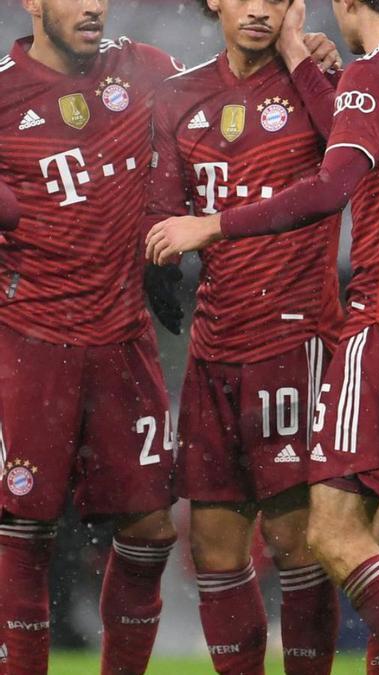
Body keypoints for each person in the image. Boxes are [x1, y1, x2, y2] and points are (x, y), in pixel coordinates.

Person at [144, 0, 379, 670]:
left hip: (353, 331)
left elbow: (336, 184)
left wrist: (213, 225)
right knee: (375, 530)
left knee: (321, 534)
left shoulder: (361, 79)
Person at [143, 0, 344, 671]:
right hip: (214, 347)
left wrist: (303, 55)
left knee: (296, 541)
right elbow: (165, 217)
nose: (259, 9)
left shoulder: (317, 82)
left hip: (295, 339)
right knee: (215, 546)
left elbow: (349, 168)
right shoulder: (178, 98)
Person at [0, 0, 186, 671]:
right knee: (24, 528)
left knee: (150, 529)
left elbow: (228, 95)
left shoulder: (146, 68)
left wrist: (300, 51)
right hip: (32, 345)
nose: (94, 6)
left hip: (124, 342)